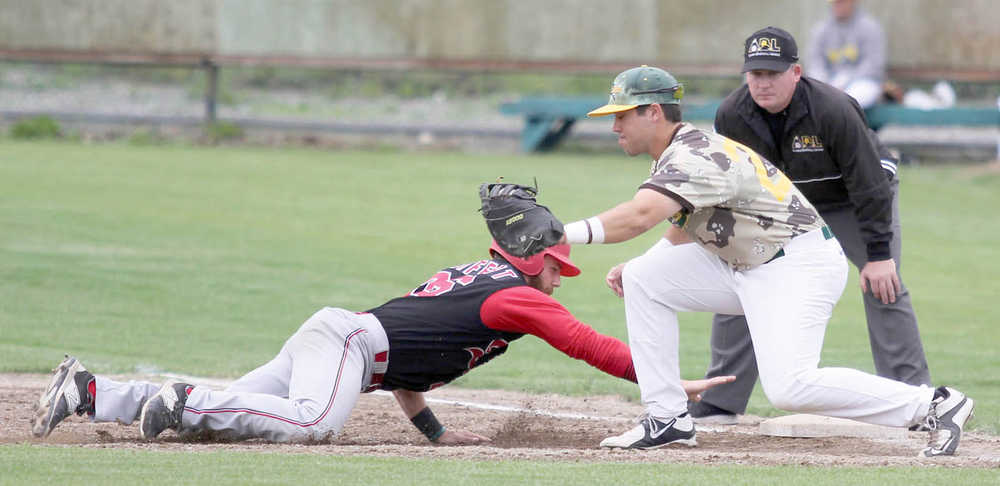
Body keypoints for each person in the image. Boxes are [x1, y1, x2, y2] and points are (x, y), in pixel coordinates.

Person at [559, 64, 972, 456]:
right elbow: (683, 221)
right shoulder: (679, 151)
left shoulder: (695, 156)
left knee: (789, 388)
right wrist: (642, 262)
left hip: (797, 266)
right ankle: (667, 418)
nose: (614, 126)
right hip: (748, 265)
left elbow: (639, 216)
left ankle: (934, 404)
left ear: (652, 113)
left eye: (622, 115)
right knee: (643, 279)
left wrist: (560, 234)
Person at [31, 241, 733, 444]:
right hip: (350, 346)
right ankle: (182, 402)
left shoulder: (483, 281)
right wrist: (664, 380)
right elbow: (587, 345)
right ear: (531, 258)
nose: (560, 280)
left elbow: (415, 367)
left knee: (246, 400)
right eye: (557, 266)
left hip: (339, 337)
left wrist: (431, 432)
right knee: (309, 424)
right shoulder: (516, 295)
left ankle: (93, 392)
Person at [690, 26, 931, 426]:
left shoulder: (833, 108)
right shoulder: (731, 114)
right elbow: (731, 187)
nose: (763, 83)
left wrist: (878, 255)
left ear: (796, 72)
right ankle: (721, 402)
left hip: (851, 198)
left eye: (773, 73)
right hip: (782, 207)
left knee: (883, 285)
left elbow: (870, 184)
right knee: (744, 277)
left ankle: (917, 401)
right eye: (755, 74)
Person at [806, 0, 886, 109]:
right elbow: (815, 63)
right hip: (828, 83)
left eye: (842, 2)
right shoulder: (821, 29)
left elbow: (873, 65)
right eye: (835, 2)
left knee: (855, 96)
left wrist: (844, 82)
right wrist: (825, 84)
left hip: (861, 82)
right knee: (814, 95)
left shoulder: (870, 27)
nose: (838, 5)